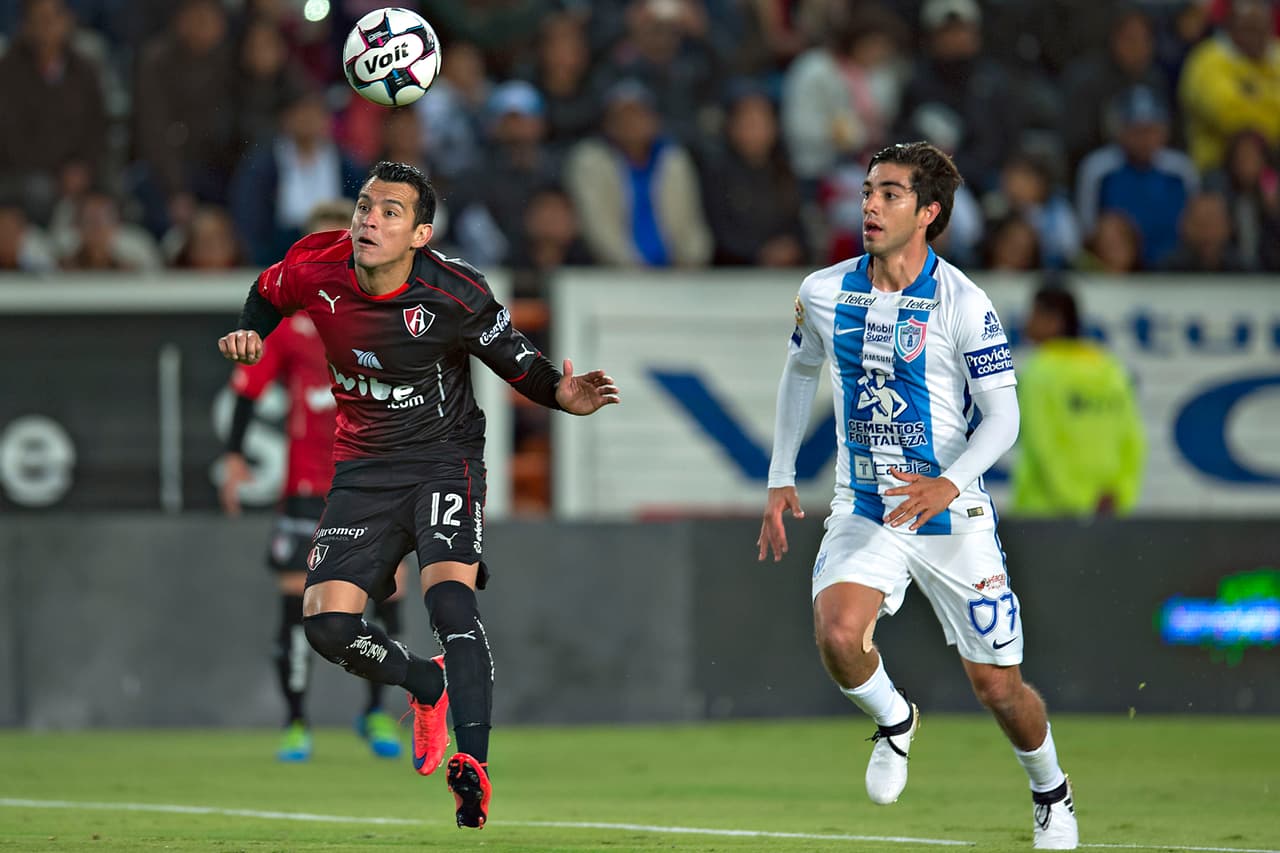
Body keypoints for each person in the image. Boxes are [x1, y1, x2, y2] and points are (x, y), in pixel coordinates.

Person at [217, 161, 619, 829]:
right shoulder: (316, 264)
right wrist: (252, 330)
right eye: (365, 206)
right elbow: (267, 290)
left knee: (449, 599)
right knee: (327, 626)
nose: (369, 220)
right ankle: (423, 681)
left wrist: (560, 394)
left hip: (442, 460)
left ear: (420, 234)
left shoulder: (454, 292)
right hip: (363, 468)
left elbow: (519, 362)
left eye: (390, 212)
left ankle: (474, 764)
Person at [757, 142, 1078, 850]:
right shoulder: (823, 291)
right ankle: (894, 718)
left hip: (951, 513)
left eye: (890, 194)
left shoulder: (964, 302)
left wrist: (947, 482)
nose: (870, 205)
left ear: (928, 212)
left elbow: (1004, 417)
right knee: (838, 635)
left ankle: (1051, 791)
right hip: (866, 504)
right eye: (868, 191)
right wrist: (781, 475)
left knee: (999, 688)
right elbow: (800, 370)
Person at [218, 199, 409, 763]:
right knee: (296, 606)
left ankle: (376, 711)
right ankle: (297, 721)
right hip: (307, 487)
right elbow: (249, 386)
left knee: (386, 598)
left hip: (372, 485)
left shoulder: (390, 314)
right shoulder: (291, 324)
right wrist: (234, 455)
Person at [1011, 283, 1145, 518]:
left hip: (1044, 512)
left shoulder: (1040, 371)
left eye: (1033, 314)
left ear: (1054, 320)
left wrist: (1078, 500)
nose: (1026, 322)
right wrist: (1122, 495)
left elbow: (1042, 442)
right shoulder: (1110, 369)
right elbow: (1133, 441)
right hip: (1108, 508)